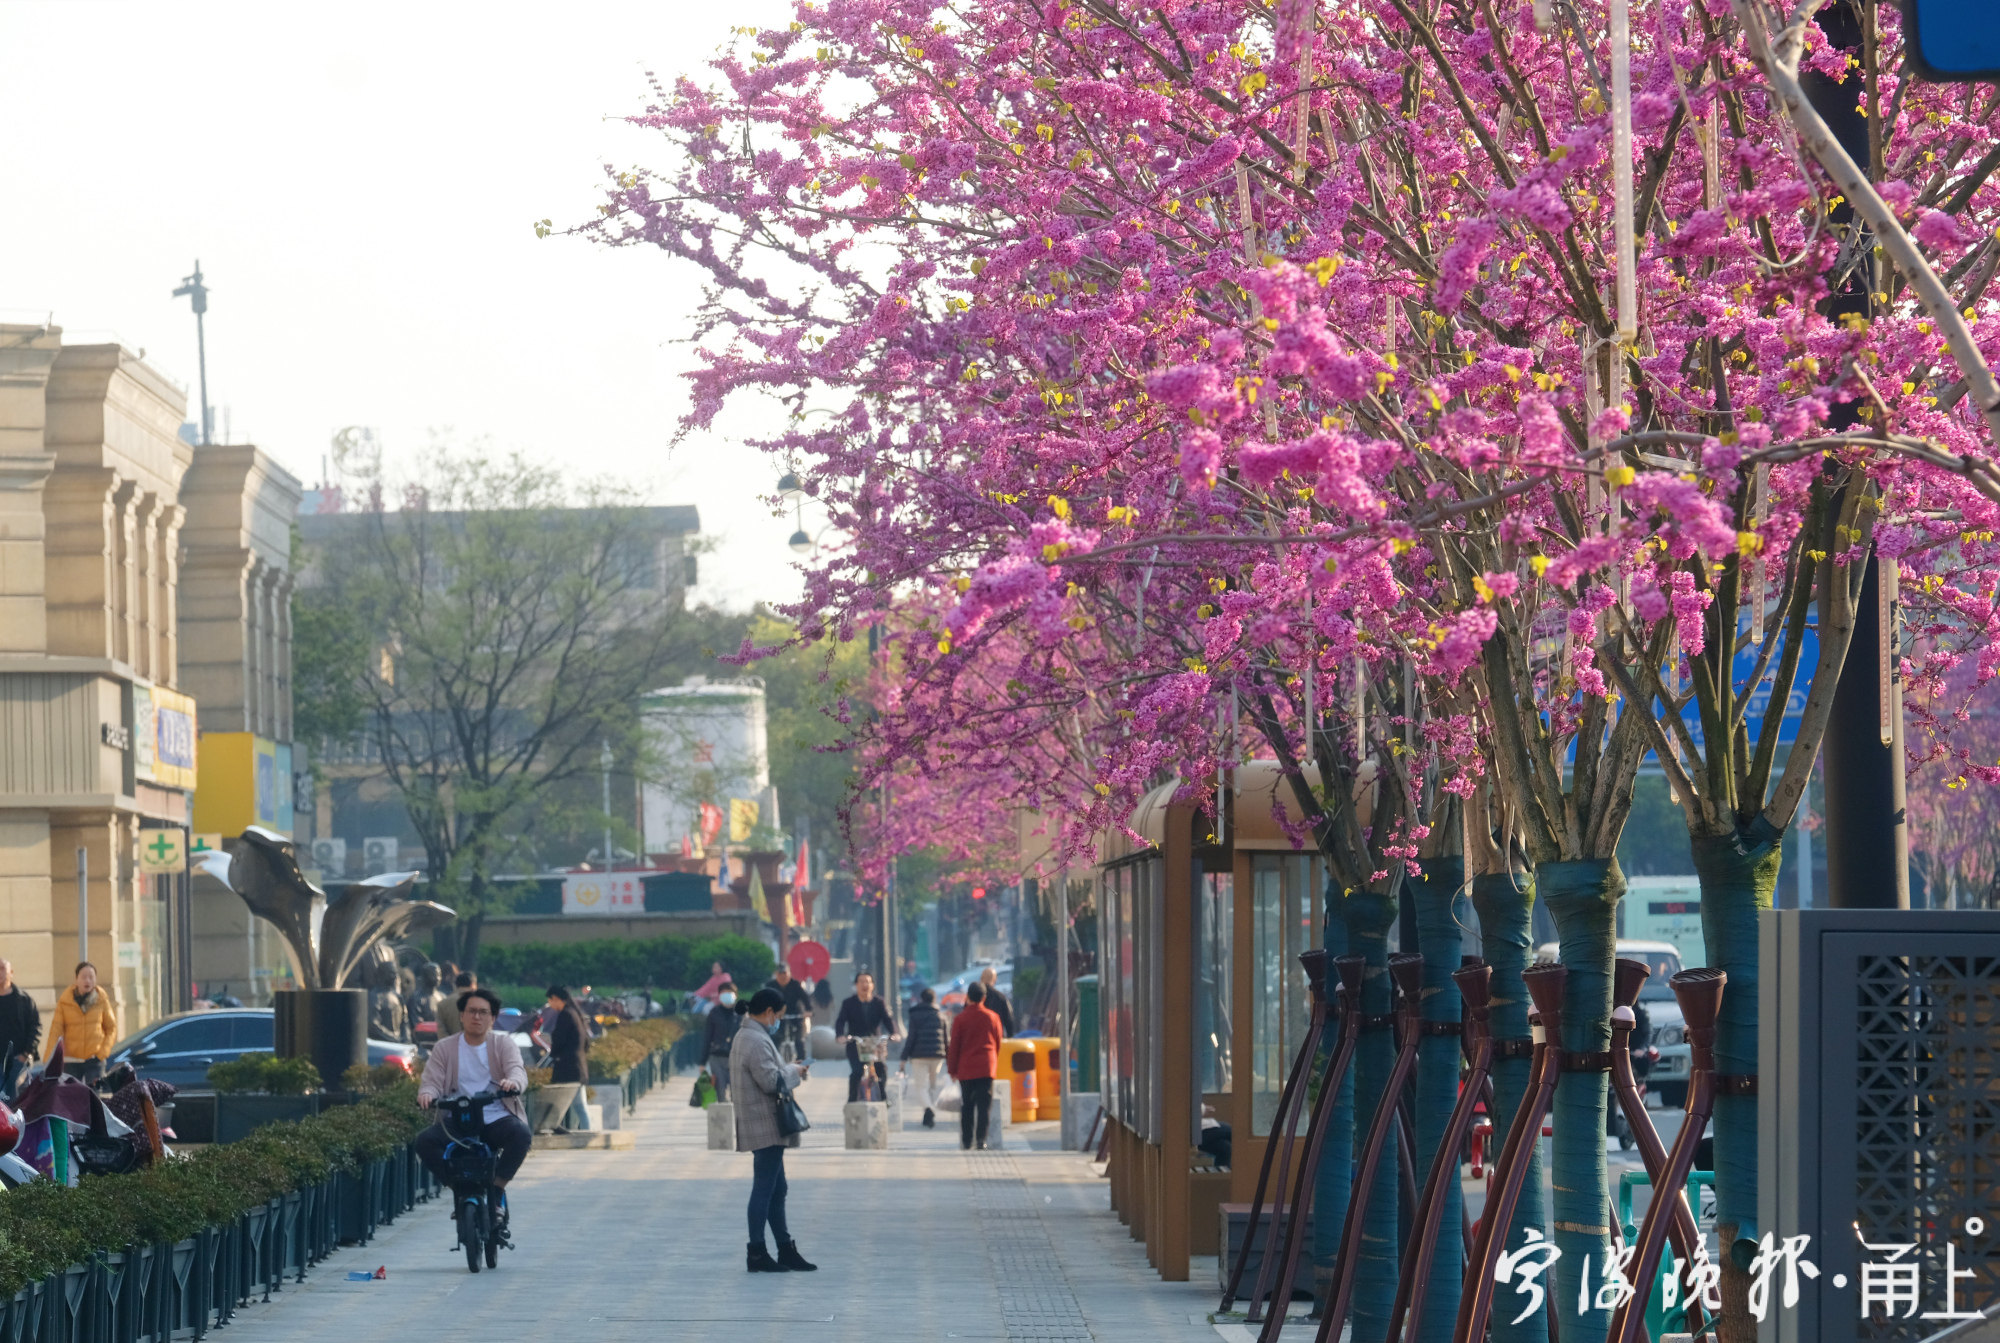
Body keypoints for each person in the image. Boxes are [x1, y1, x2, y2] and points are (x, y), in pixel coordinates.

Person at [415, 987, 532, 1225]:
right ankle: (459, 1189)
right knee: (424, 1141)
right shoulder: (444, 1048)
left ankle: (497, 1190)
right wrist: (427, 1094)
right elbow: (431, 1081)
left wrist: (513, 1083)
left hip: (496, 1117)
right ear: (461, 1015)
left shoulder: (504, 1044)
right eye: (471, 1012)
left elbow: (517, 1070)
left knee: (520, 1134)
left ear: (493, 1017)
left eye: (482, 1012)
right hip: (458, 1121)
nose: (476, 1017)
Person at [731, 987, 817, 1273]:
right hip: (764, 1122)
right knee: (765, 1189)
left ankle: (784, 1248)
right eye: (778, 1016)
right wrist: (795, 1071)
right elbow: (770, 1081)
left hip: (762, 1121)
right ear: (769, 1012)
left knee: (777, 1189)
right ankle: (757, 1251)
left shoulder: (749, 1036)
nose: (777, 1021)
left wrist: (787, 1068)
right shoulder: (754, 1039)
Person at [947, 981, 1004, 1150]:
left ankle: (966, 1140)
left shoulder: (960, 1019)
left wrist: (952, 1069)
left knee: (967, 1106)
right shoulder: (993, 1017)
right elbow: (998, 1042)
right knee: (984, 1106)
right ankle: (981, 1140)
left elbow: (954, 1046)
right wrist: (993, 1060)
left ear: (968, 998)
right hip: (986, 1066)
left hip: (966, 1069)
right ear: (984, 998)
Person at [833, 972, 899, 1103]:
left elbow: (887, 1019)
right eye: (861, 982)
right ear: (856, 985)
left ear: (872, 985)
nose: (865, 985)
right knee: (857, 1072)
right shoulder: (848, 1003)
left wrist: (894, 1033)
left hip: (875, 1044)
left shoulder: (879, 1002)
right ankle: (851, 1101)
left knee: (881, 1070)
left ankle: (883, 1098)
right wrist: (840, 1036)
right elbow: (840, 1021)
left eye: (868, 982)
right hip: (856, 1044)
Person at [45, 962, 115, 1084]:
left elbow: (111, 1029)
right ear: (76, 980)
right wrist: (49, 1059)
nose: (87, 980)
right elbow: (55, 1031)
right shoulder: (65, 1001)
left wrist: (101, 1054)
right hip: (71, 1061)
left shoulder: (102, 1000)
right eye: (83, 977)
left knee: (94, 1098)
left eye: (91, 977)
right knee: (71, 1098)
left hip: (94, 1061)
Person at [900, 986, 949, 1128]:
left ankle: (929, 1110)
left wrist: (903, 1058)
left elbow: (911, 1038)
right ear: (934, 1000)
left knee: (921, 1086)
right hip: (937, 1056)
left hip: (919, 1056)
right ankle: (928, 1113)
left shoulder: (915, 1015)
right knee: (932, 1085)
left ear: (921, 999)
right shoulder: (942, 1016)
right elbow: (947, 1039)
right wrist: (950, 1059)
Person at [0, 960, 39, 1102]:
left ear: (11, 973)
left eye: (3, 968)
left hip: (17, 1061)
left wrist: (25, 1054)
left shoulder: (24, 1000)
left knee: (14, 1101)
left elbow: (34, 1028)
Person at [704, 982, 743, 1100]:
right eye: (723, 993)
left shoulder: (742, 1013)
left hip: (736, 1057)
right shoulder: (714, 1013)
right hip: (717, 1056)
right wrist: (702, 1062)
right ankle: (724, 1116)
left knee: (737, 1092)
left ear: (735, 995)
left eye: (729, 993)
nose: (726, 995)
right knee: (720, 1090)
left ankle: (737, 1117)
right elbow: (707, 1037)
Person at [765, 965, 814, 1060]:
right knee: (774, 1040)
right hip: (777, 1017)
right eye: (780, 974)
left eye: (785, 973)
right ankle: (774, 1065)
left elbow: (805, 998)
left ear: (789, 974)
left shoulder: (795, 985)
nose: (783, 976)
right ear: (776, 975)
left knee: (799, 1041)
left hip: (795, 1015)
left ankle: (802, 1067)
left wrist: (808, 1010)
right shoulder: (770, 986)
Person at [979, 966, 1017, 1037]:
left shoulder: (973, 997)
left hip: (976, 1039)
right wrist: (1009, 1038)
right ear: (995, 980)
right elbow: (1009, 1021)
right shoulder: (1001, 997)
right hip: (996, 1038)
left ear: (981, 978)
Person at [438, 971, 475, 1037]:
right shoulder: (479, 1003)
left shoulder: (442, 1004)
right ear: (472, 984)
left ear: (456, 985)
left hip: (448, 1045)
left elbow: (441, 1030)